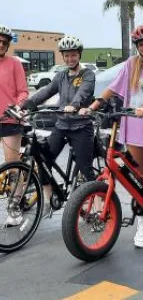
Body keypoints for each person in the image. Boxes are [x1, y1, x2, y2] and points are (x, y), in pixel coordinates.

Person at [80, 24, 143, 248]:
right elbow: (112, 88)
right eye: (142, 44)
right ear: (138, 47)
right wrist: (93, 105)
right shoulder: (131, 65)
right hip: (133, 127)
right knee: (136, 179)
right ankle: (140, 222)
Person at [21, 35, 96, 220]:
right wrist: (25, 105)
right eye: (67, 56)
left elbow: (83, 92)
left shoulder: (87, 75)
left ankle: (97, 206)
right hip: (61, 125)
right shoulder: (61, 75)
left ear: (79, 55)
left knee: (86, 169)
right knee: (44, 161)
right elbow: (45, 92)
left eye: (73, 55)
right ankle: (48, 201)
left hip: (81, 127)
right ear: (63, 57)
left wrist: (75, 105)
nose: (70, 59)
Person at [0, 24, 29, 226]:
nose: (1, 44)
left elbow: (23, 92)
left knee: (13, 167)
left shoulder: (14, 64)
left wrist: (16, 106)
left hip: (10, 120)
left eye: (4, 42)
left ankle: (14, 206)